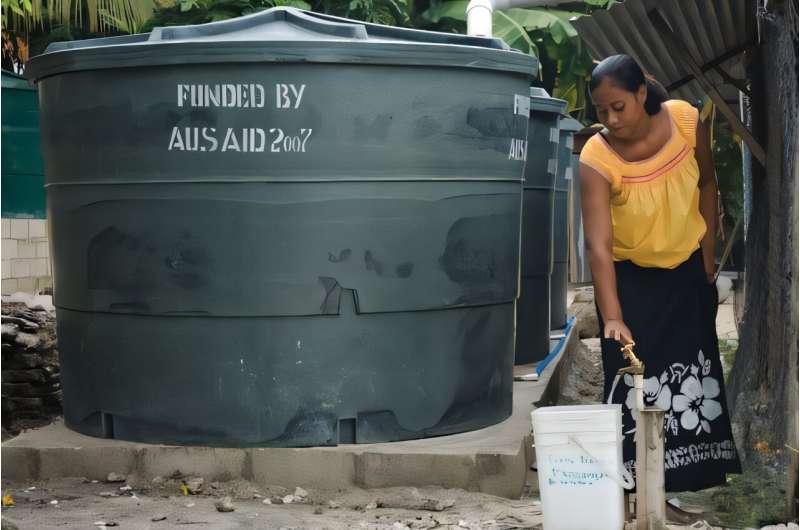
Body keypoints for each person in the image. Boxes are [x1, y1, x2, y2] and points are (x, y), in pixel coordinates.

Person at [579, 54, 742, 493]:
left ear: (641, 94)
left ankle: (680, 489)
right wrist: (611, 315)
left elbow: (707, 184)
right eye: (601, 111)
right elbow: (598, 245)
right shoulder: (596, 156)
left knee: (693, 377)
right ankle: (638, 496)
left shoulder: (687, 123)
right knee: (633, 385)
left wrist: (707, 257)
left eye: (619, 107)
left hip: (687, 277)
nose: (610, 119)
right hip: (629, 285)